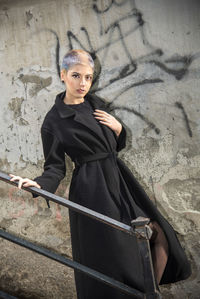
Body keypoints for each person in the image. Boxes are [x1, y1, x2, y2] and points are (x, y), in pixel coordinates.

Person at [10, 49, 191, 299]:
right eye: (76, 75)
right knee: (114, 257)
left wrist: (119, 131)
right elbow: (55, 167)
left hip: (119, 179)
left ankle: (150, 294)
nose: (83, 83)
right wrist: (38, 184)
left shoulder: (95, 103)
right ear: (63, 75)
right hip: (93, 190)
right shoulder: (54, 121)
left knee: (160, 236)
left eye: (88, 77)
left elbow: (111, 146)